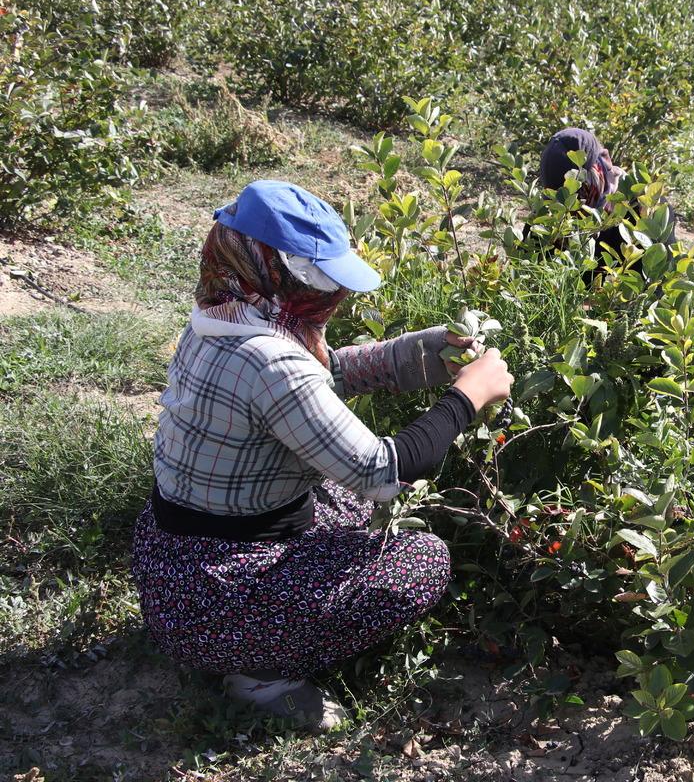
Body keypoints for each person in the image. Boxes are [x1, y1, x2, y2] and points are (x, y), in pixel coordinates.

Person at [130, 181, 513, 729]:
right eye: (320, 279)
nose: (333, 294)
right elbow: (383, 469)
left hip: (174, 565)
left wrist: (421, 355)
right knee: (420, 563)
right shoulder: (271, 360)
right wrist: (467, 398)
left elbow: (317, 379)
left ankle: (243, 636)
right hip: (217, 596)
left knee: (337, 501)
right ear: (271, 267)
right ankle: (260, 671)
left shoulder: (226, 317)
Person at [535, 127, 677, 282]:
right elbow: (531, 274)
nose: (572, 205)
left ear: (605, 160)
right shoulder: (550, 213)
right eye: (560, 195)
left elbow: (655, 286)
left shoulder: (648, 210)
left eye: (580, 188)